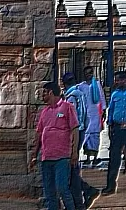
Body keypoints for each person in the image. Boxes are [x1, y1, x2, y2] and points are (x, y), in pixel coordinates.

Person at [31, 82, 78, 210]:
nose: (42, 96)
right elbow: (39, 133)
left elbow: (74, 129)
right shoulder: (44, 112)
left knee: (62, 189)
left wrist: (74, 152)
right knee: (49, 192)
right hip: (47, 157)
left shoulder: (67, 107)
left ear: (51, 92)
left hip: (62, 156)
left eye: (44, 93)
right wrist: (34, 155)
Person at [62, 72, 99, 210]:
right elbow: (87, 116)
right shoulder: (81, 94)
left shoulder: (71, 97)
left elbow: (71, 119)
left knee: (72, 168)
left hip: (74, 132)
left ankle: (83, 194)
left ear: (64, 84)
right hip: (82, 130)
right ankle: (82, 195)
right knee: (73, 167)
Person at [77, 67, 104, 168]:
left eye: (90, 73)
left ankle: (95, 158)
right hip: (85, 115)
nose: (88, 75)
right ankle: (88, 158)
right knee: (86, 137)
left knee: (95, 137)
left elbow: (101, 99)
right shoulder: (81, 87)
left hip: (96, 114)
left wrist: (103, 111)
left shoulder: (96, 84)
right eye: (86, 73)